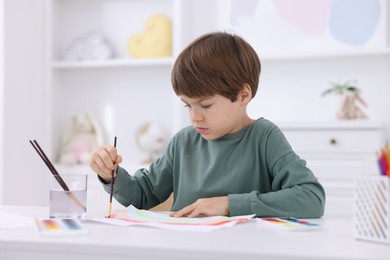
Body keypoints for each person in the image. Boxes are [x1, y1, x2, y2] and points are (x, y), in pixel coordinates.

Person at [89, 32, 326, 218]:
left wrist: (228, 204)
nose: (194, 117)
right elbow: (142, 195)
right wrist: (112, 176)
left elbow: (311, 197)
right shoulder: (183, 142)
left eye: (206, 105)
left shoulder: (264, 137)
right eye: (187, 106)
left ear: (243, 95)